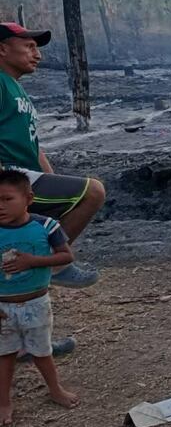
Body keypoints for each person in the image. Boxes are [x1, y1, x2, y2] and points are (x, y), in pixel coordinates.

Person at [0, 22, 108, 359]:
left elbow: (33, 144)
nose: (38, 54)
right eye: (29, 46)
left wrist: (52, 179)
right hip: (11, 181)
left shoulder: (15, 87)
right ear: (3, 48)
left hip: (26, 181)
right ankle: (54, 265)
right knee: (92, 192)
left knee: (10, 271)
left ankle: (22, 344)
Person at [0, 169, 79, 426]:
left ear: (28, 198)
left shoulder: (46, 226)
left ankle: (55, 390)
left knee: (42, 351)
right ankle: (4, 402)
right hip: (3, 307)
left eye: (6, 199)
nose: (0, 206)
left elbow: (66, 256)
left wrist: (33, 262)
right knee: (5, 355)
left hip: (36, 303)